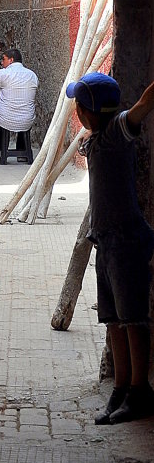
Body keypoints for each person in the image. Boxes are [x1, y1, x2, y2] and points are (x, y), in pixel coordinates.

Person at [65, 71, 154, 424]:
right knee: (114, 320)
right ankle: (120, 388)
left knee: (132, 319)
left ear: (90, 111)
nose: (76, 111)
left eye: (79, 105)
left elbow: (144, 104)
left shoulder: (117, 129)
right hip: (105, 241)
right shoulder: (97, 136)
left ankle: (138, 391)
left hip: (127, 241)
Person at [0, 46, 38, 161]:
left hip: (5, 119)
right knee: (23, 112)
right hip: (27, 121)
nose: (2, 63)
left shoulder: (3, 74)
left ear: (11, 60)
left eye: (3, 59)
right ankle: (22, 154)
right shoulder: (32, 75)